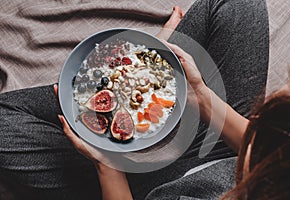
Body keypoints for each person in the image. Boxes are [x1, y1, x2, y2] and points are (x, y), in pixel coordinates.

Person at [0, 0, 270, 199]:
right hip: (232, 150)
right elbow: (268, 151)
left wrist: (108, 166)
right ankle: (144, 70)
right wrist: (202, 99)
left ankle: (127, 81)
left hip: (144, 189)